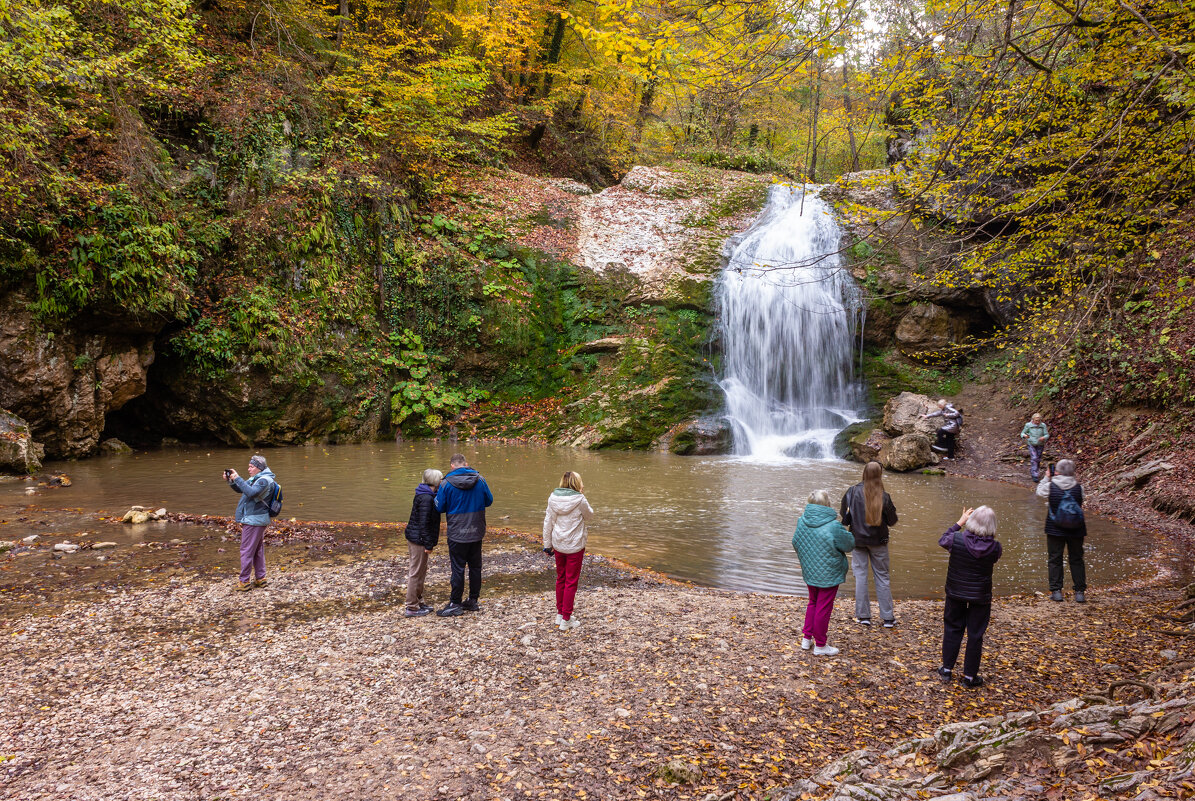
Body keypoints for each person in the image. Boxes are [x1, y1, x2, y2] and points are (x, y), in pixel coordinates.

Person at [937, 505, 1002, 688]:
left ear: (971, 521)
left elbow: (942, 540)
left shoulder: (956, 540)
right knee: (975, 635)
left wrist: (959, 522)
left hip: (955, 592)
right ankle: (970, 677)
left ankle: (947, 670)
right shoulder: (995, 547)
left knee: (952, 628)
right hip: (980, 596)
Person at [791, 489, 855, 656]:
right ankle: (820, 645)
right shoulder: (833, 525)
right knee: (823, 607)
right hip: (829, 572)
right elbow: (849, 545)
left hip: (810, 570)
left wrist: (807, 559)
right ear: (827, 504)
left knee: (813, 602)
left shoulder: (801, 521)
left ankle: (806, 639)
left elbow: (795, 542)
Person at [840, 461, 899, 627]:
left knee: (860, 577)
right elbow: (892, 521)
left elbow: (844, 517)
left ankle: (864, 616)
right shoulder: (884, 496)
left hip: (858, 541)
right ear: (879, 475)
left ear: (864, 473)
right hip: (878, 542)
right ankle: (888, 618)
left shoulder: (852, 492)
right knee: (882, 577)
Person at [434, 454, 494, 617]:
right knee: (475, 567)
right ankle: (473, 600)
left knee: (458, 568)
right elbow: (489, 500)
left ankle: (455, 602)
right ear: (466, 464)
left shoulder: (446, 484)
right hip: (476, 530)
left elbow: (439, 508)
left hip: (457, 532)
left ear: (452, 466)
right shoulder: (480, 480)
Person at [542, 471, 595, 631]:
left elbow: (548, 522)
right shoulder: (580, 499)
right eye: (581, 482)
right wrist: (582, 496)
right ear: (576, 484)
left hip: (558, 544)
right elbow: (590, 516)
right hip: (575, 546)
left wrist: (547, 544)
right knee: (571, 581)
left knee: (561, 578)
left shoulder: (553, 498)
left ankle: (560, 614)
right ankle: (566, 619)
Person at [1037, 459, 1087, 603]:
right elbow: (1081, 500)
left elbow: (1039, 492)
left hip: (1055, 528)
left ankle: (1056, 591)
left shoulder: (1050, 486)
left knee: (1055, 559)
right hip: (1077, 529)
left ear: (1056, 471)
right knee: (1077, 559)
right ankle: (1079, 592)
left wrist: (1047, 477)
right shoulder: (1079, 487)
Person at [225, 454, 277, 592]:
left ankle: (244, 581)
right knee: (256, 550)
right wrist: (231, 480)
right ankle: (260, 578)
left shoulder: (264, 481)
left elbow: (251, 492)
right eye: (249, 466)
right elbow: (241, 489)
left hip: (254, 520)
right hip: (255, 520)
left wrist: (237, 477)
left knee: (246, 550)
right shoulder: (257, 478)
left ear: (259, 468)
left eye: (251, 466)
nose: (248, 469)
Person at [403, 468, 443, 618]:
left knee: (421, 571)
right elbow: (424, 523)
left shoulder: (426, 493)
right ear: (435, 481)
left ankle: (419, 601)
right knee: (416, 572)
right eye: (440, 479)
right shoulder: (426, 498)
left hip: (418, 537)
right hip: (418, 539)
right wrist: (428, 545)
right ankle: (411, 606)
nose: (441, 482)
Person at [1020, 413, 1050, 481]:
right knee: (1034, 458)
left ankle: (1035, 470)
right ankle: (1035, 475)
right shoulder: (1028, 425)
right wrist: (1025, 436)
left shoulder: (1043, 425)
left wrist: (1043, 437)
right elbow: (1022, 433)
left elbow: (1047, 435)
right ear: (1032, 419)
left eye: (1039, 420)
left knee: (1038, 459)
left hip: (1040, 444)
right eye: (1036, 420)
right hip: (1031, 444)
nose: (1037, 422)